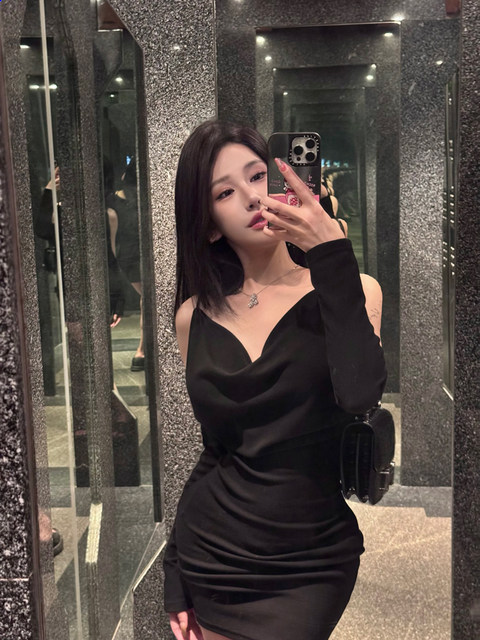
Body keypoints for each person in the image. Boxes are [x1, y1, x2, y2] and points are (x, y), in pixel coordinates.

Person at [164, 120, 386, 640]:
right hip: (213, 554)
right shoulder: (194, 315)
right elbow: (215, 452)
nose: (251, 196)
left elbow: (360, 394)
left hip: (311, 560)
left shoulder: (355, 289)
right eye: (224, 192)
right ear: (210, 225)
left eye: (258, 175)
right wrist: (175, 565)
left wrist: (330, 249)